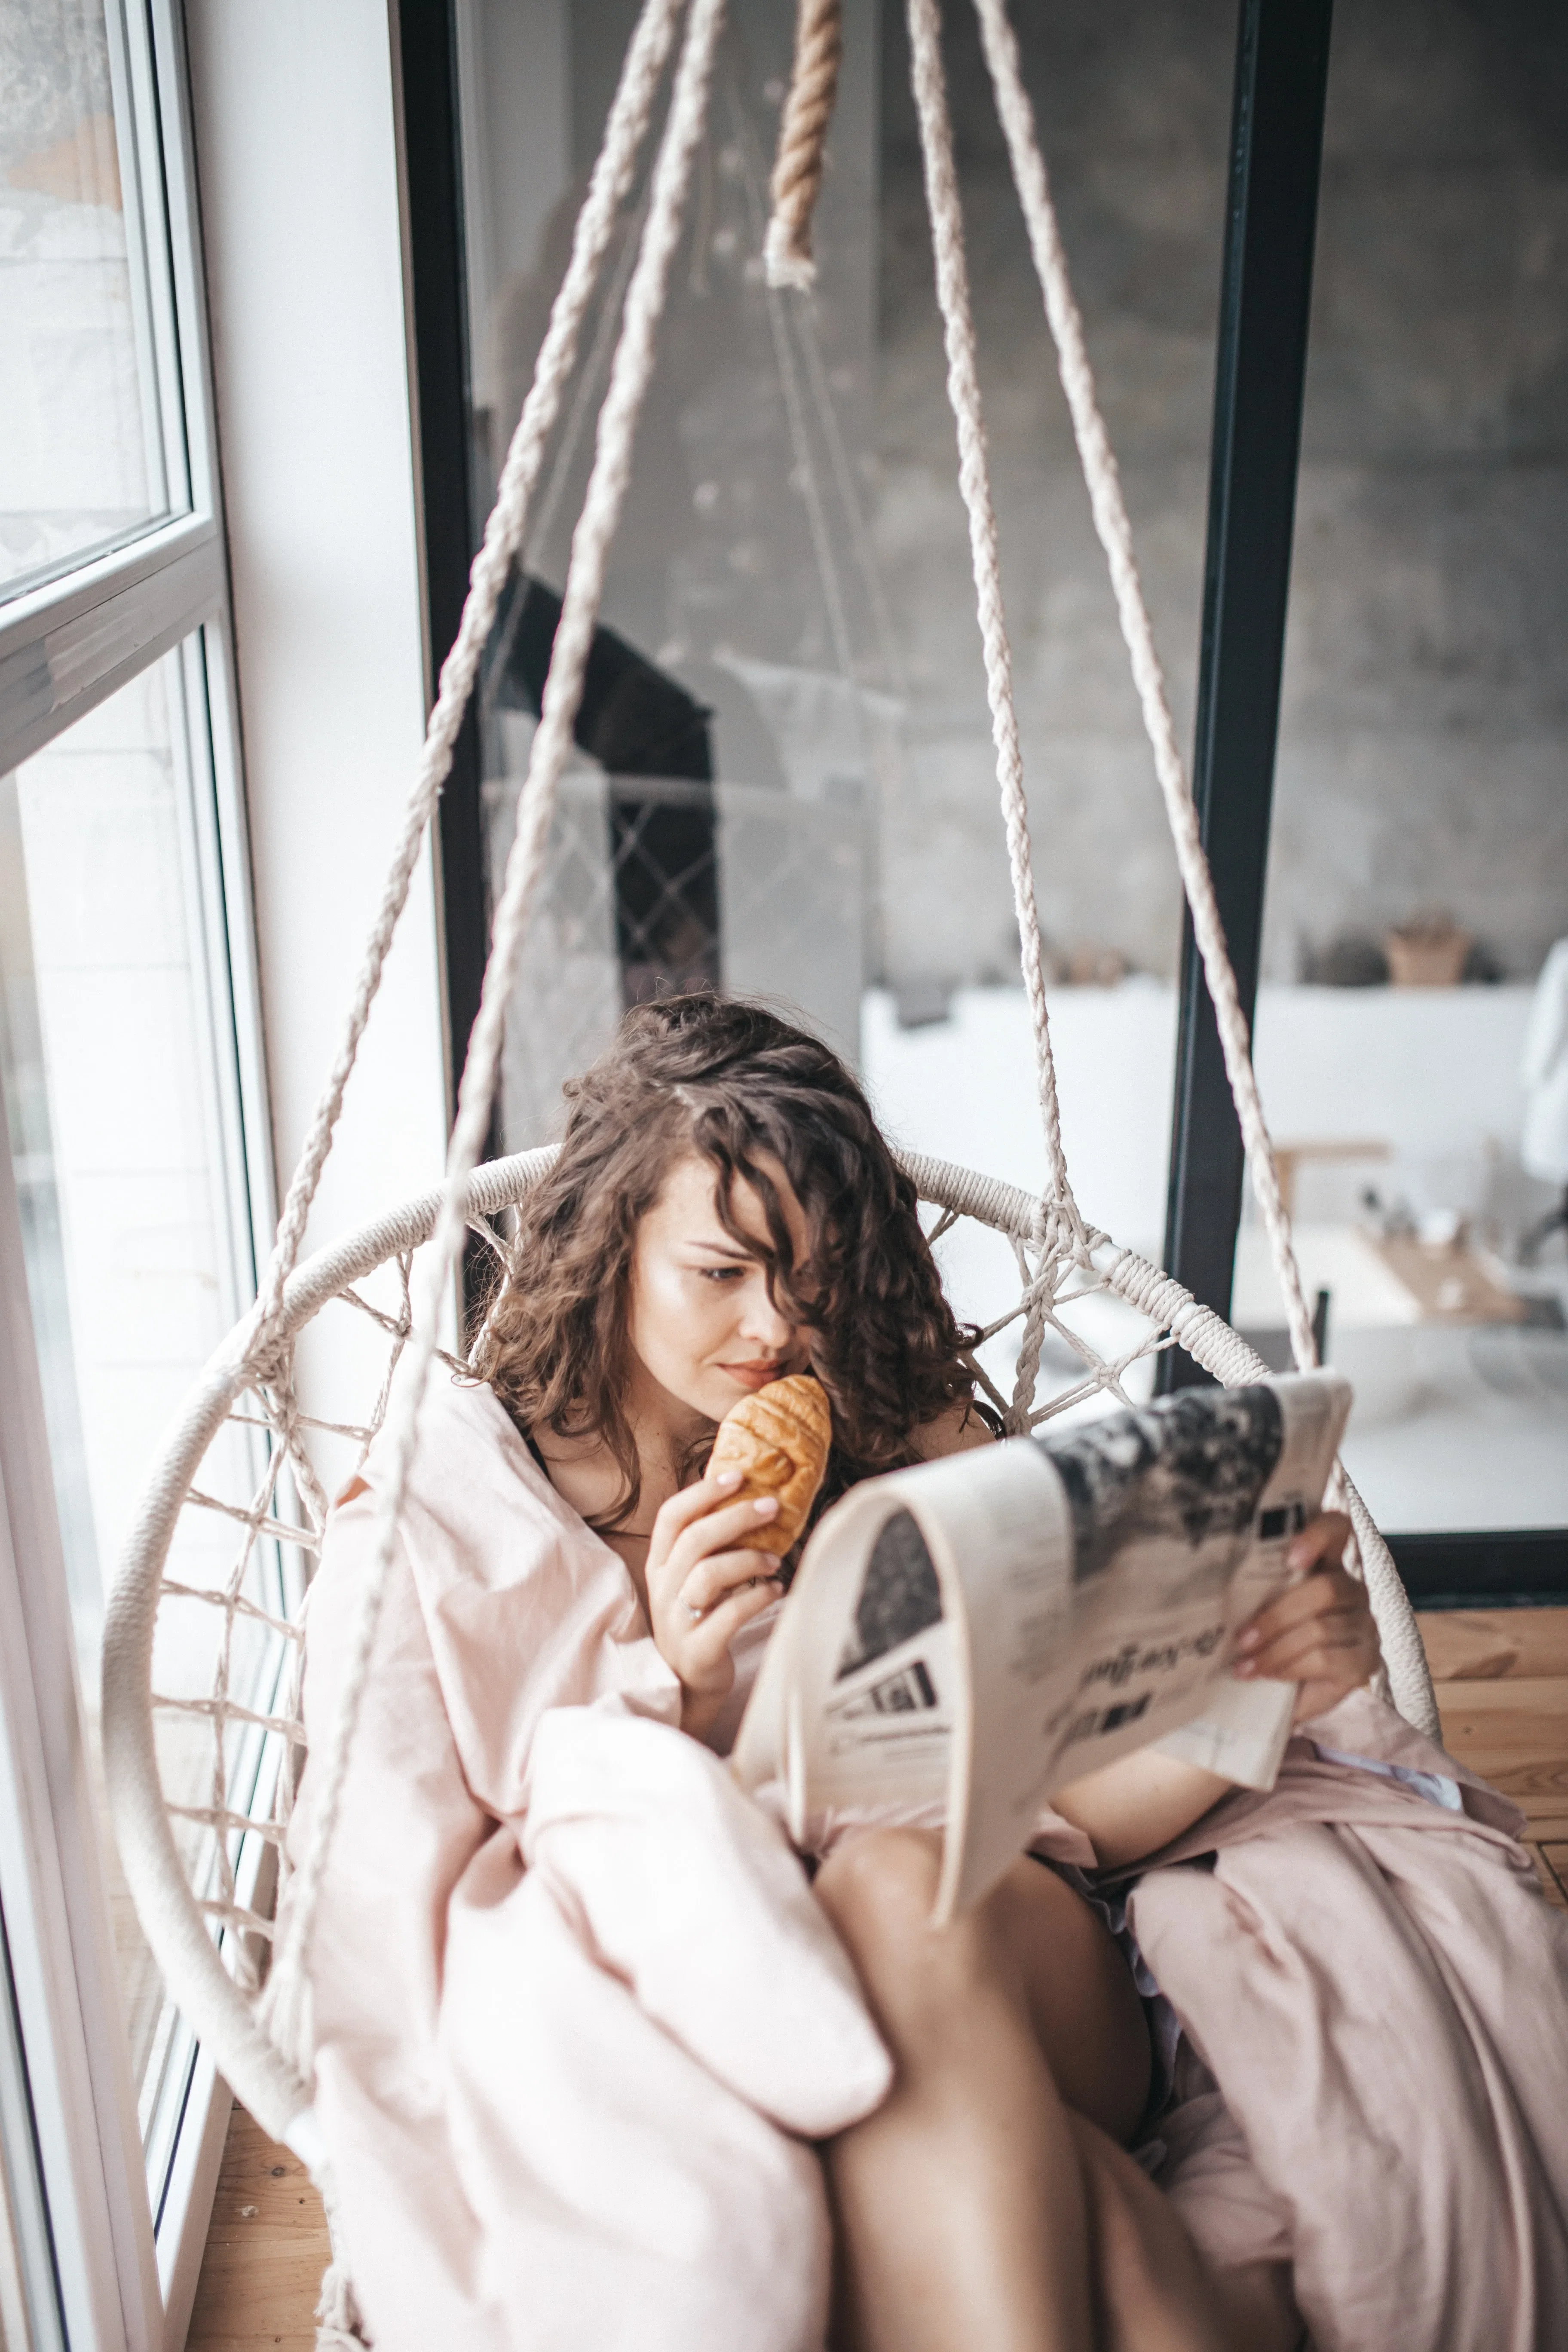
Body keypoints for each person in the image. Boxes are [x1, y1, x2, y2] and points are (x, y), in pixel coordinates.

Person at [463, 992, 1380, 2352]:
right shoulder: (499, 1497)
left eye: (807, 1276)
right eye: (719, 1272)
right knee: (1102, 2246)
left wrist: (1258, 1689)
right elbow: (516, 1869)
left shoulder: (907, 1434)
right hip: (746, 2018)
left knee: (890, 1876)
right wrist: (692, 1688)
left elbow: (1080, 1798)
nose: (773, 1327)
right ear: (615, 1248)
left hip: (1019, 1953)